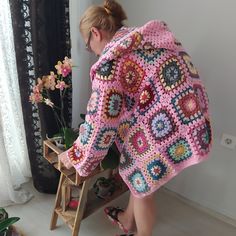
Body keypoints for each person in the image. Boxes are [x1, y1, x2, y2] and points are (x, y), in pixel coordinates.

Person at [59, 1, 213, 235]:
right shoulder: (144, 38)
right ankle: (127, 219)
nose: (93, 52)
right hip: (188, 118)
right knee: (136, 174)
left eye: (89, 46)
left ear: (95, 33)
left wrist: (76, 154)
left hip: (164, 127)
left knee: (142, 183)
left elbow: (100, 122)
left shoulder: (111, 63)